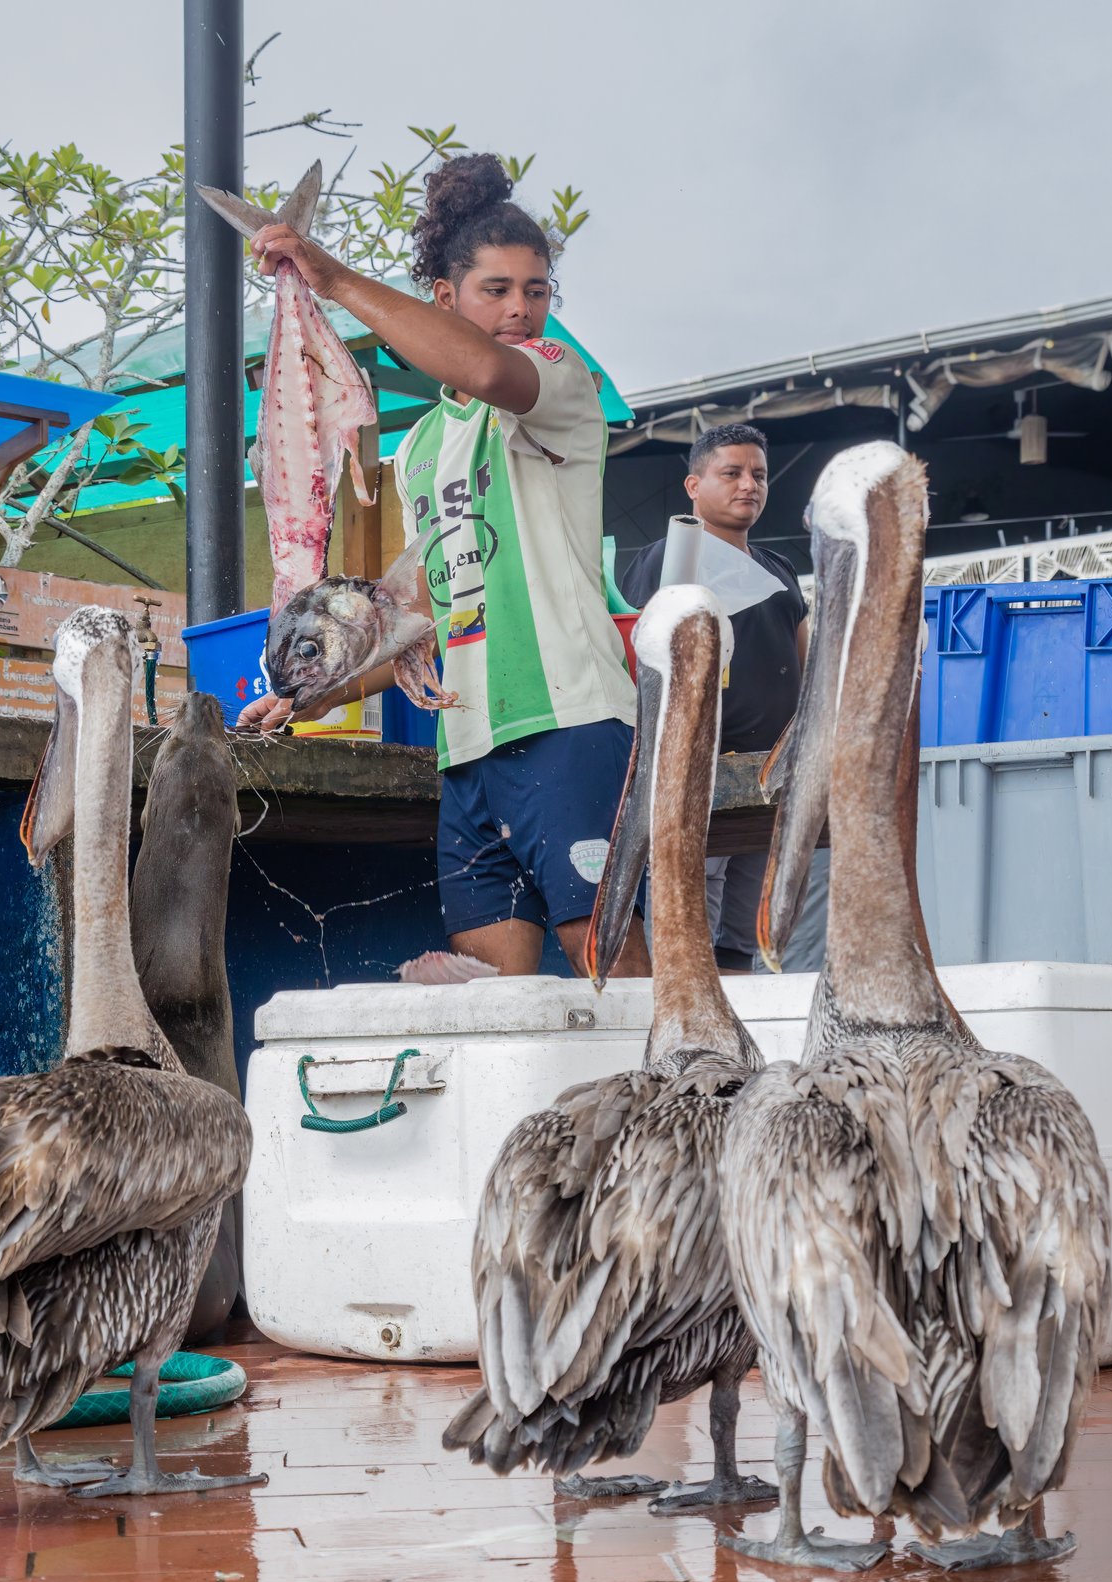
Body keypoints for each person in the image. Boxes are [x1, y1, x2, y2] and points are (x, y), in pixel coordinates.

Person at [235, 154, 647, 979]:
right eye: (495, 290)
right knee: (491, 998)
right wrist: (308, 697)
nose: (521, 308)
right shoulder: (420, 447)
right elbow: (421, 619)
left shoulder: (560, 381)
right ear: (445, 298)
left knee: (617, 972)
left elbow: (489, 371)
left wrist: (336, 279)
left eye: (536, 290)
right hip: (469, 754)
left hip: (570, 726)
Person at [613, 423, 811, 971]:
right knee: (692, 915)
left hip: (771, 771)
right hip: (700, 770)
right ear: (693, 486)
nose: (749, 485)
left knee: (748, 930)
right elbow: (640, 659)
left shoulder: (780, 569)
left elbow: (803, 661)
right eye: (732, 473)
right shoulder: (668, 558)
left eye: (759, 475)